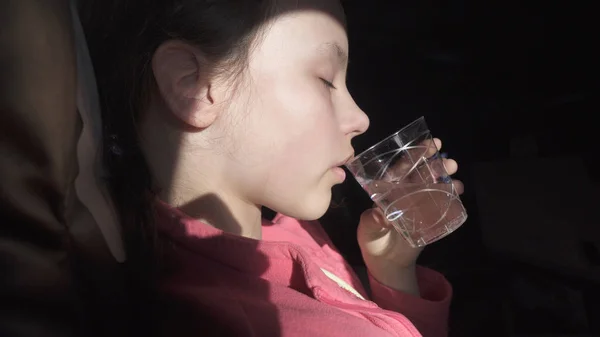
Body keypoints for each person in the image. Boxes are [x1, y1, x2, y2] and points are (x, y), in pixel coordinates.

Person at [81, 0, 461, 336]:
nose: (361, 118)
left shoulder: (294, 231)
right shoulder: (230, 322)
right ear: (193, 85)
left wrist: (392, 271)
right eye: (326, 80)